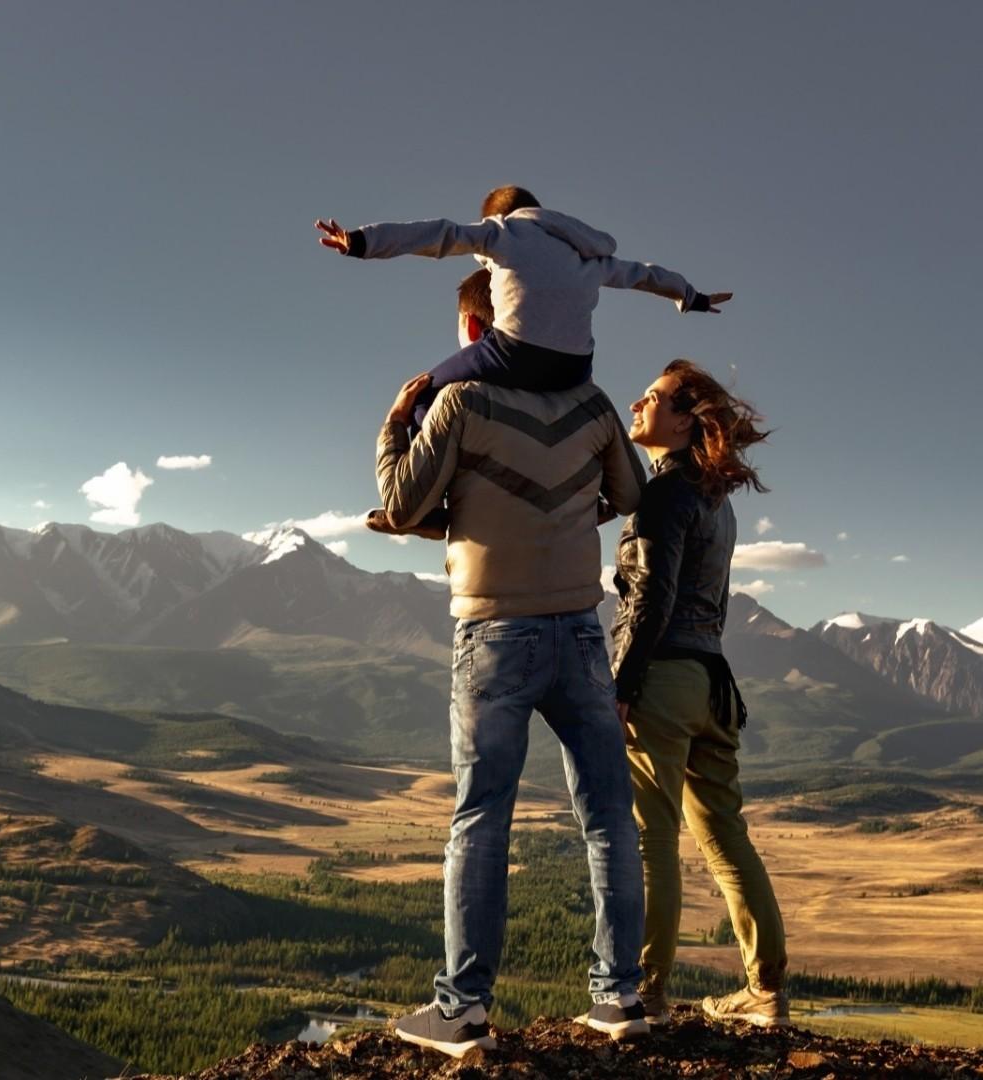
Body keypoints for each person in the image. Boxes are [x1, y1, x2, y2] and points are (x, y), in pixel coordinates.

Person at [373, 286, 650, 1057]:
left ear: (474, 323)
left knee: (481, 815)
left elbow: (400, 504)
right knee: (606, 815)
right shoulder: (591, 403)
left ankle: (462, 1009)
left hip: (494, 631)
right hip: (580, 633)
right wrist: (563, 506)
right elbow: (632, 493)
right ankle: (619, 995)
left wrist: (395, 424)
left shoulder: (460, 400)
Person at [319, 184, 732, 539]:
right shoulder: (583, 252)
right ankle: (598, 503)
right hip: (575, 368)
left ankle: (429, 509)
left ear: (499, 215)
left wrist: (360, 242)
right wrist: (689, 296)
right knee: (585, 417)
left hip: (515, 351)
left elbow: (437, 236)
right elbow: (643, 274)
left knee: (424, 393)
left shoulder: (502, 232)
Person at [610, 359, 789, 1028]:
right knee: (724, 836)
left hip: (663, 678)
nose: (636, 402)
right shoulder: (718, 499)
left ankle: (644, 994)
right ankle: (765, 990)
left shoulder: (663, 495)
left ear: (684, 422)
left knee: (648, 836)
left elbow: (651, 597)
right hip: (714, 683)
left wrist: (622, 685)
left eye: (651, 398)